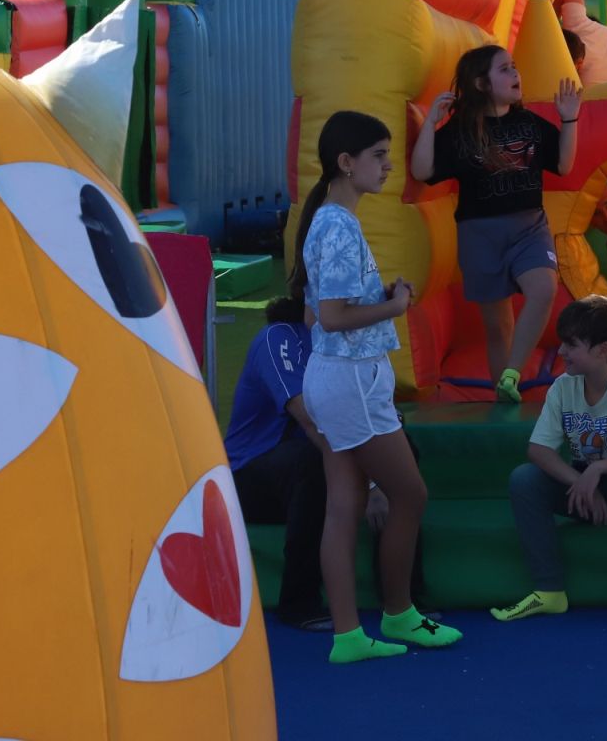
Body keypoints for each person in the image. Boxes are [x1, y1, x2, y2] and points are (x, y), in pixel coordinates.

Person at [292, 110, 460, 662]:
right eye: (379, 156)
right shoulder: (337, 222)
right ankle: (400, 613)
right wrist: (395, 304)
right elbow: (334, 316)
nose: (390, 166)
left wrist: (381, 297)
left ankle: (348, 636)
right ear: (347, 163)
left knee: (344, 506)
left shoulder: (326, 219)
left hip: (336, 380)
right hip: (351, 383)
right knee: (410, 493)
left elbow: (325, 310)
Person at [225, 297, 428, 630]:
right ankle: (298, 601)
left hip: (316, 467)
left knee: (403, 451)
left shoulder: (353, 346)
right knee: (314, 461)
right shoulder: (279, 339)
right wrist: (373, 484)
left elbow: (381, 419)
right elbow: (310, 421)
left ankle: (402, 600)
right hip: (251, 475)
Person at [492, 293, 607, 630]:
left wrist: (597, 469)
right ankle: (549, 590)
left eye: (571, 344)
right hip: (590, 487)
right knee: (524, 479)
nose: (561, 351)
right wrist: (579, 482)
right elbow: (539, 449)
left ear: (602, 350)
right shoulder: (563, 387)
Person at [412, 45, 580, 402]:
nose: (515, 74)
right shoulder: (461, 131)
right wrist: (429, 124)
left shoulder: (528, 123)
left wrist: (570, 120)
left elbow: (563, 165)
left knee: (544, 289)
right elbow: (422, 171)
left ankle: (511, 373)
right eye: (505, 69)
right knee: (498, 326)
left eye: (515, 67)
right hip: (480, 233)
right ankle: (504, 394)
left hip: (529, 227)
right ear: (481, 83)